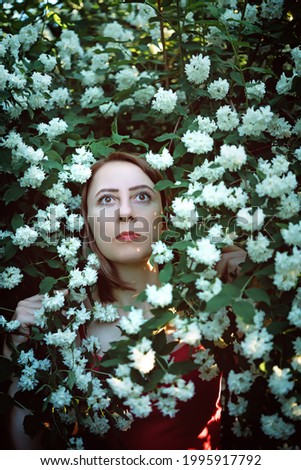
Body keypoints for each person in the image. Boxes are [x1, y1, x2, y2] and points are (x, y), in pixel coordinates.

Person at [3, 151, 246, 450]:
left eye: (142, 197)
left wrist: (258, 282)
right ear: (87, 222)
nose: (125, 212)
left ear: (165, 215)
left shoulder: (210, 300)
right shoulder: (61, 324)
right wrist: (18, 354)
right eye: (106, 200)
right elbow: (25, 450)